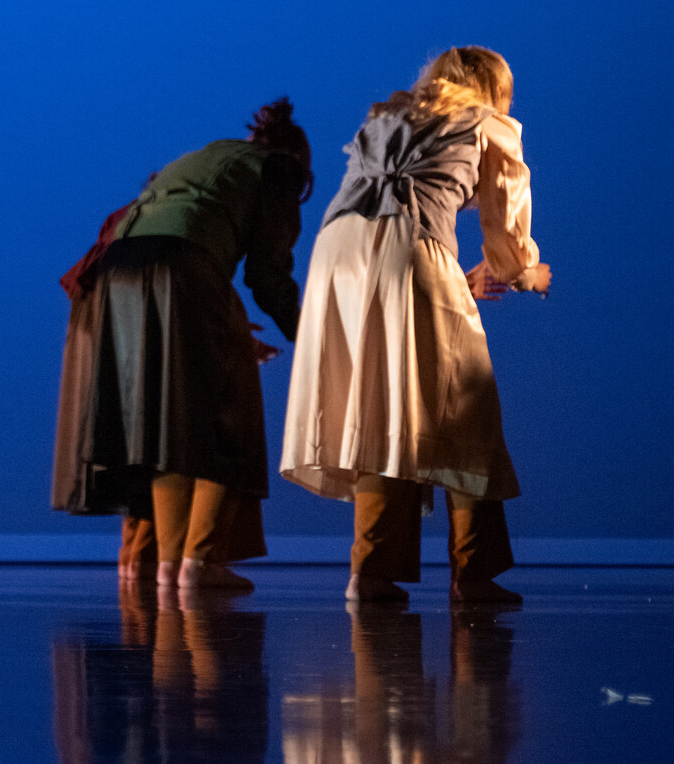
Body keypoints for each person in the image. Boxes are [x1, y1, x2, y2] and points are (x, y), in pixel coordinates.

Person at [280, 47, 549, 605]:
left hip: (338, 251)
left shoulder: (387, 116)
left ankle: (372, 572)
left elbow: (393, 207)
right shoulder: (486, 123)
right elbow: (505, 225)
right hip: (409, 247)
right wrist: (527, 273)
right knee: (462, 402)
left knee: (382, 403)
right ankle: (474, 572)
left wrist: (446, 269)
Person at [52, 98, 313, 593]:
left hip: (117, 273)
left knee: (161, 421)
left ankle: (167, 563)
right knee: (228, 412)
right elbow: (266, 277)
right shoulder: (276, 171)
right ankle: (200, 560)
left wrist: (221, 325)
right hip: (181, 265)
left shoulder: (207, 157)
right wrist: (311, 338)